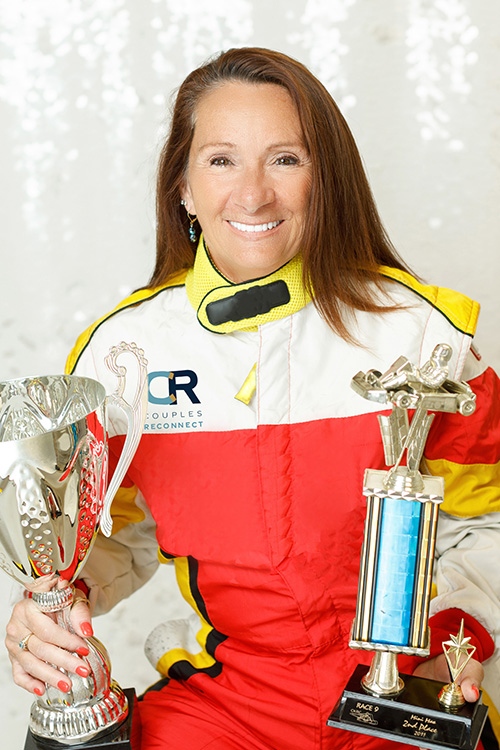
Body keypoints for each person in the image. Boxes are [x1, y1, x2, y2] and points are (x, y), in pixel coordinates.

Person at [5, 47, 500, 750]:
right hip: (227, 703)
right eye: (221, 160)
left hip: (405, 691)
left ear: (325, 179)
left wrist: (461, 645)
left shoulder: (425, 335)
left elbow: (489, 524)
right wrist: (57, 604)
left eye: (286, 159)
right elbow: (114, 534)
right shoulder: (124, 355)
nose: (253, 193)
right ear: (181, 184)